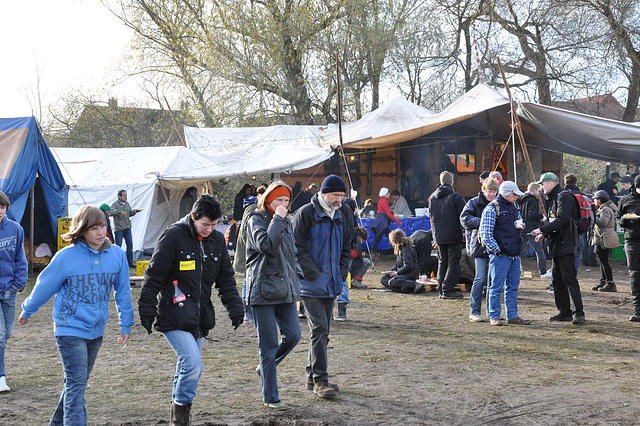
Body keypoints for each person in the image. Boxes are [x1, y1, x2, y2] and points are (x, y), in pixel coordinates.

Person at [19, 205, 134, 424]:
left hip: (96, 329)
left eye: (102, 226)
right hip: (68, 327)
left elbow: (123, 292)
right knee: (76, 382)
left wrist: (126, 323)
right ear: (81, 230)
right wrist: (28, 309)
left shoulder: (117, 255)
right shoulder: (65, 257)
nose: (100, 232)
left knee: (77, 382)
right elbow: (45, 285)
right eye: (93, 228)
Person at [138, 194, 244, 424]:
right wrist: (147, 308)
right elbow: (154, 276)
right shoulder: (174, 236)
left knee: (188, 366)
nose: (209, 229)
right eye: (205, 224)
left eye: (214, 225)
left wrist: (235, 307)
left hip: (200, 317)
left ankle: (179, 413)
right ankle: (180, 417)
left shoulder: (216, 240)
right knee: (192, 363)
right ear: (193, 217)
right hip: (172, 313)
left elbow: (225, 279)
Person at [292, 174, 350, 399]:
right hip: (310, 284)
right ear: (324, 193)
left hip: (331, 282)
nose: (340, 199)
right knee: (318, 330)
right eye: (336, 195)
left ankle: (311, 375)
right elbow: (295, 247)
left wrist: (341, 272)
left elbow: (347, 245)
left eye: (342, 195)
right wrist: (312, 272)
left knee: (323, 331)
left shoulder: (341, 214)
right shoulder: (305, 213)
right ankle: (320, 380)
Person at [245, 181, 302, 411]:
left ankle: (264, 367)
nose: (284, 205)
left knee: (294, 335)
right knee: (268, 346)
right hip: (262, 290)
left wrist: (296, 275)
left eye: (287, 201)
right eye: (279, 200)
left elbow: (290, 251)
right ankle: (270, 396)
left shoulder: (285, 221)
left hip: (284, 289)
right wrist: (277, 219)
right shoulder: (255, 219)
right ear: (268, 200)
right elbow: (266, 245)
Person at [531, 172, 585, 324]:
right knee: (557, 280)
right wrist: (545, 234)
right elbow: (556, 222)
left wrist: (542, 230)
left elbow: (562, 220)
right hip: (557, 244)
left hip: (566, 244)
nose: (541, 188)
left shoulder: (563, 196)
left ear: (550, 183)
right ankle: (564, 311)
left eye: (542, 184)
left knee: (569, 279)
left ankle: (579, 313)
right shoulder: (553, 197)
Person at [479, 181, 530, 326]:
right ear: (507, 193)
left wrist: (520, 226)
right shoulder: (491, 209)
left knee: (512, 287)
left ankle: (512, 315)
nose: (517, 197)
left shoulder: (514, 206)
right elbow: (485, 235)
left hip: (513, 253)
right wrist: (498, 251)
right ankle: (494, 316)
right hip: (502, 255)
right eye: (514, 194)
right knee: (496, 287)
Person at [460, 177, 499, 322]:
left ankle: (491, 311)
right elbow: (464, 219)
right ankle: (474, 311)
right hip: (478, 246)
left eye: (494, 192)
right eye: (489, 191)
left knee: (492, 281)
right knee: (480, 278)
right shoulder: (473, 203)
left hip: (494, 246)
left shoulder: (498, 203)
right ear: (484, 190)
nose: (492, 195)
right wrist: (483, 222)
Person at [0, 191, 28, 393]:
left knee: (7, 334)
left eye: (2, 207)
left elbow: (20, 258)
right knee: (0, 335)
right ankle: (1, 377)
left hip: (9, 290)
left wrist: (16, 284)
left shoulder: (15, 229)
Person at [429, 171, 466, 299]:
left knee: (442, 262)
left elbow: (431, 216)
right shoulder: (456, 197)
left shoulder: (433, 197)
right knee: (453, 263)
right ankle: (447, 289)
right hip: (453, 235)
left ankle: (441, 289)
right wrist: (464, 232)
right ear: (452, 182)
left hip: (438, 235)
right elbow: (464, 217)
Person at [234, 184, 268, 323]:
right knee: (249, 280)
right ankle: (248, 311)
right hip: (251, 252)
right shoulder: (254, 209)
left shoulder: (254, 208)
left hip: (253, 251)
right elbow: (245, 233)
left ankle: (250, 310)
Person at [618, 174, 640, 322]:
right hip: (632, 241)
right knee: (635, 274)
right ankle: (638, 310)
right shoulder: (625, 200)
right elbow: (619, 217)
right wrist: (623, 221)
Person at [520, 183, 550, 278]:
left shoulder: (523, 199)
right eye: (538, 191)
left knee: (518, 251)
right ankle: (543, 272)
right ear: (534, 190)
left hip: (523, 228)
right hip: (532, 229)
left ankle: (515, 270)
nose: (539, 193)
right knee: (540, 251)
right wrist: (541, 216)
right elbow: (532, 214)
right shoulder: (532, 200)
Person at [590, 190, 618, 292]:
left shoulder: (605, 209)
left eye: (595, 199)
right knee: (602, 261)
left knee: (604, 261)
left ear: (600, 200)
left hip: (604, 238)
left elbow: (603, 222)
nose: (594, 201)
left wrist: (593, 216)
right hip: (601, 238)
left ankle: (610, 282)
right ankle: (604, 281)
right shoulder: (604, 208)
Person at [380, 229, 422, 293]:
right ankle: (404, 289)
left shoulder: (406, 249)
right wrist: (391, 271)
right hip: (403, 272)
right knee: (384, 279)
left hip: (410, 273)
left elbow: (409, 266)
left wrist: (397, 273)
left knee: (393, 281)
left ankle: (414, 284)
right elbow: (397, 263)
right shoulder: (400, 248)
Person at [110, 189, 142, 267]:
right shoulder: (115, 204)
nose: (126, 197)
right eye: (124, 195)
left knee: (130, 245)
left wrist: (134, 212)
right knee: (118, 246)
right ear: (119, 196)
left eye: (126, 195)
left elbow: (129, 213)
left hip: (127, 227)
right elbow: (110, 212)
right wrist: (119, 212)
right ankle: (118, 263)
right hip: (119, 229)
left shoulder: (127, 204)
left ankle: (129, 262)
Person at [370, 187, 402, 259]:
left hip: (381, 222)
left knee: (380, 238)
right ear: (385, 194)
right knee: (390, 237)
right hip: (383, 222)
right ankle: (397, 252)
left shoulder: (381, 201)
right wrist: (398, 221)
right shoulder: (384, 202)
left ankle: (373, 253)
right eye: (388, 193)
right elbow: (389, 214)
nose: (389, 194)